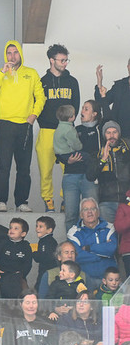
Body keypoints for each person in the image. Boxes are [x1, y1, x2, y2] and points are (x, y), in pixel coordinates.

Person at [0, 40, 46, 213]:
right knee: (3, 165)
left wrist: (33, 116)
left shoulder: (31, 73)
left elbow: (40, 97)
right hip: (5, 124)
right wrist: (3, 73)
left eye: (15, 52)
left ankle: (21, 202)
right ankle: (1, 201)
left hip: (25, 125)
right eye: (9, 53)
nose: (12, 56)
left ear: (20, 53)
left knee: (24, 167)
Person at [37, 44, 81, 212]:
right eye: (62, 60)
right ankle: (48, 201)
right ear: (51, 60)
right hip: (47, 130)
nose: (65, 63)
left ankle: (66, 200)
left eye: (66, 60)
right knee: (45, 169)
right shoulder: (42, 82)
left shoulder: (72, 81)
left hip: (66, 129)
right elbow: (37, 105)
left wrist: (69, 125)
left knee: (68, 168)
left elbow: (75, 105)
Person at [63, 99, 102, 230]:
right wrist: (67, 160)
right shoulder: (74, 129)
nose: (82, 111)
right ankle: (70, 248)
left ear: (94, 113)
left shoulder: (100, 131)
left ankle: (89, 245)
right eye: (82, 108)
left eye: (86, 109)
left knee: (91, 215)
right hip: (70, 175)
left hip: (89, 177)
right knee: (70, 215)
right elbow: (60, 150)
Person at [68, 197, 118, 292]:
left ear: (98, 213)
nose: (89, 212)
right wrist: (101, 256)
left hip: (109, 279)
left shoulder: (109, 227)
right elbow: (77, 255)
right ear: (81, 214)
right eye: (85, 209)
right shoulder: (73, 232)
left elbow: (111, 249)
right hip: (86, 280)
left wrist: (89, 248)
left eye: (93, 209)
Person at [87, 120, 130, 222]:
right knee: (108, 236)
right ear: (104, 135)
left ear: (119, 134)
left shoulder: (127, 151)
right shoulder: (97, 154)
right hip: (107, 203)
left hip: (127, 201)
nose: (112, 136)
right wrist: (103, 160)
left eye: (114, 132)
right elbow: (90, 176)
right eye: (108, 132)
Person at [0, 218, 33, 299]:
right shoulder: (3, 243)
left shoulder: (26, 246)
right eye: (10, 227)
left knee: (23, 299)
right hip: (3, 277)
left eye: (16, 228)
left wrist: (21, 275)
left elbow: (28, 264)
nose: (11, 230)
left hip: (18, 279)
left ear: (23, 234)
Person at [96, 59, 130, 136]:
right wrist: (99, 83)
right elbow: (101, 102)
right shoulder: (119, 86)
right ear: (128, 67)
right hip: (117, 136)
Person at [34, 215, 58, 290]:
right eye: (36, 226)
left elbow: (45, 257)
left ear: (49, 230)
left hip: (47, 271)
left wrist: (34, 254)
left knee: (40, 288)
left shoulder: (47, 241)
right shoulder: (44, 240)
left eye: (40, 227)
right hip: (45, 270)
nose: (37, 229)